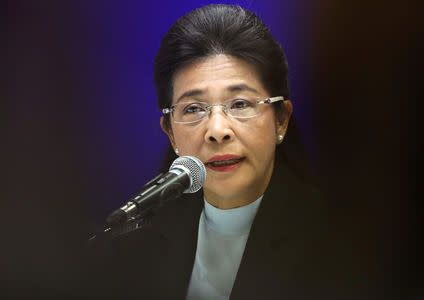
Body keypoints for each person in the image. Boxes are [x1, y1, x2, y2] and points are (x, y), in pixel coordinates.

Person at [83, 4, 370, 300]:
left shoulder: (342, 244)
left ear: (280, 119)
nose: (217, 130)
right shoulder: (132, 244)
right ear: (170, 132)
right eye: (193, 108)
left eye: (240, 104)